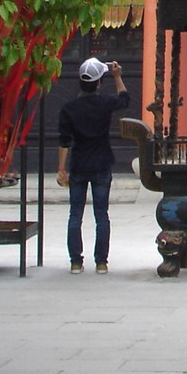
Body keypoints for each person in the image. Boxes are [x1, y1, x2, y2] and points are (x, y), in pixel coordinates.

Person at [57, 56, 128, 274]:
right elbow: (124, 100)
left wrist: (61, 169)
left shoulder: (69, 109)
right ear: (98, 83)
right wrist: (117, 76)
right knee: (101, 215)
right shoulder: (105, 103)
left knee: (75, 215)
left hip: (79, 165)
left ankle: (75, 262)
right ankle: (101, 262)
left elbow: (64, 141)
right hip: (102, 164)